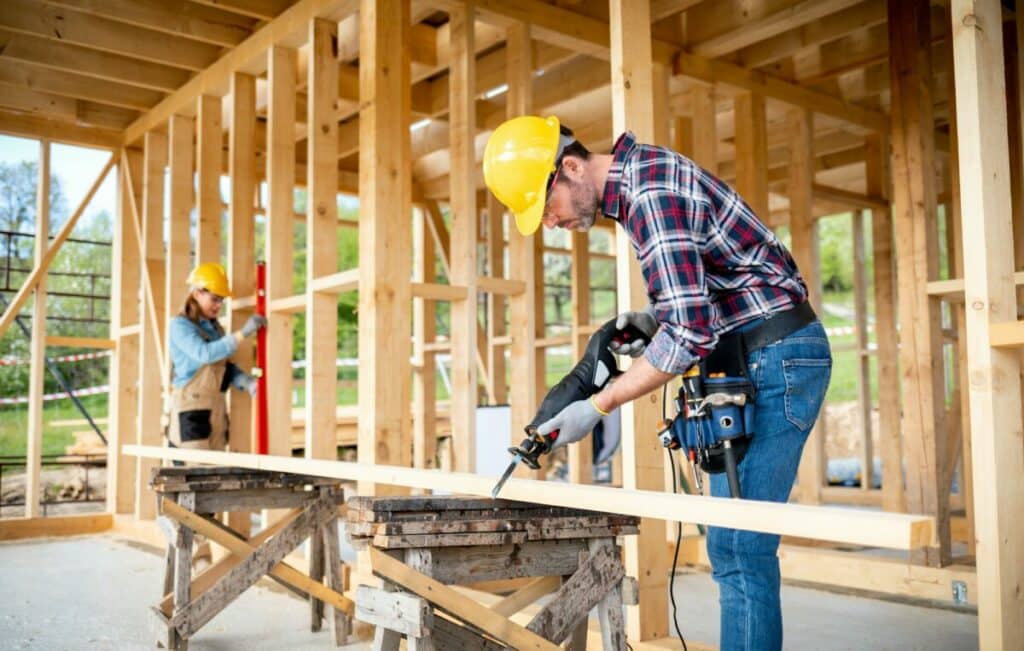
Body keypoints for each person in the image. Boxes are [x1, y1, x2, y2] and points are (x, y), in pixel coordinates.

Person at [483, 115, 832, 651]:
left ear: (570, 167)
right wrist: (653, 318)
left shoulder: (648, 196)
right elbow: (702, 289)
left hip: (776, 356)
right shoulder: (643, 183)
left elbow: (691, 334)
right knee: (734, 547)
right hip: (755, 351)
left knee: (741, 550)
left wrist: (597, 406)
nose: (549, 222)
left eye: (545, 205)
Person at [167, 262, 266, 451]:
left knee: (215, 471)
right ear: (197, 293)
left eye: (221, 300)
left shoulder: (215, 329)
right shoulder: (180, 326)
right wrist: (242, 334)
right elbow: (205, 354)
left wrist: (246, 381)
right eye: (214, 299)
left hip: (216, 411)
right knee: (194, 473)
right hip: (191, 412)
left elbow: (222, 366)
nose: (219, 305)